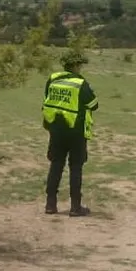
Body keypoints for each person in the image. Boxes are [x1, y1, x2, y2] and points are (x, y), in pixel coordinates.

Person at [41, 51, 98, 217]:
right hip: (76, 131)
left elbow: (47, 99)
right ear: (75, 66)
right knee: (75, 167)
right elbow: (94, 105)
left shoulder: (52, 79)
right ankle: (75, 207)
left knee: (56, 164)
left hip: (55, 129)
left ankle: (50, 204)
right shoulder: (80, 83)